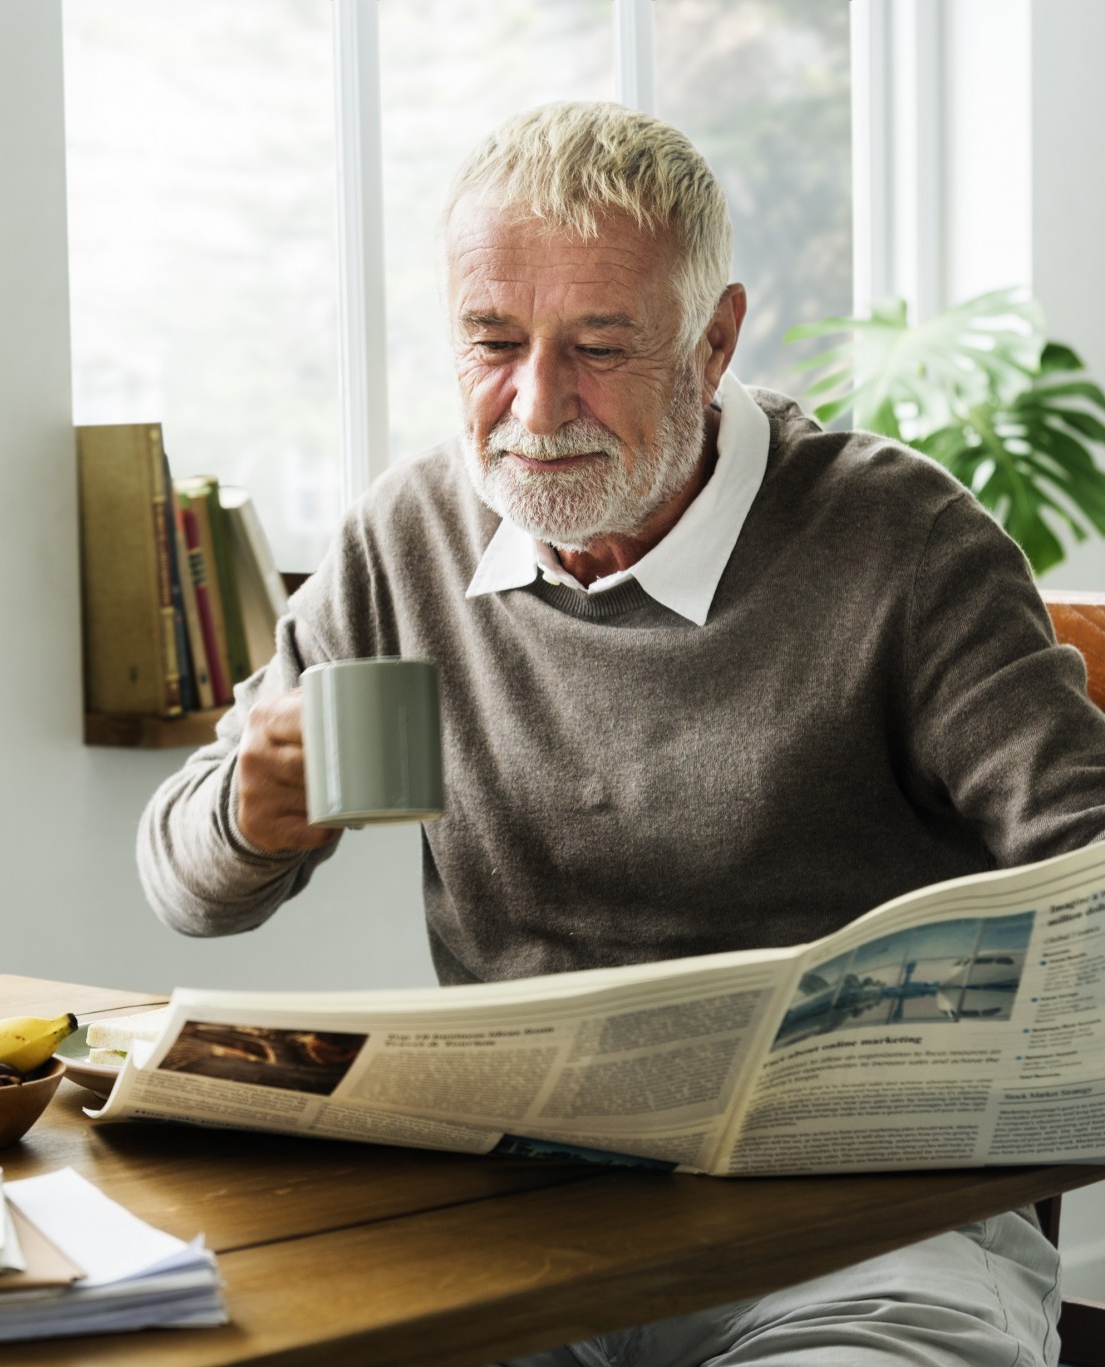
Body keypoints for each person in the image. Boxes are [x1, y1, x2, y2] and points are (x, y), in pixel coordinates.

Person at [140, 102, 1105, 1366]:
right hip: (516, 1219)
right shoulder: (408, 535)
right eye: (491, 340)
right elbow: (182, 886)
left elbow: (1084, 871)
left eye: (598, 346)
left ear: (712, 342)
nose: (535, 404)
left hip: (862, 1235)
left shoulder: (901, 539)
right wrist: (247, 815)